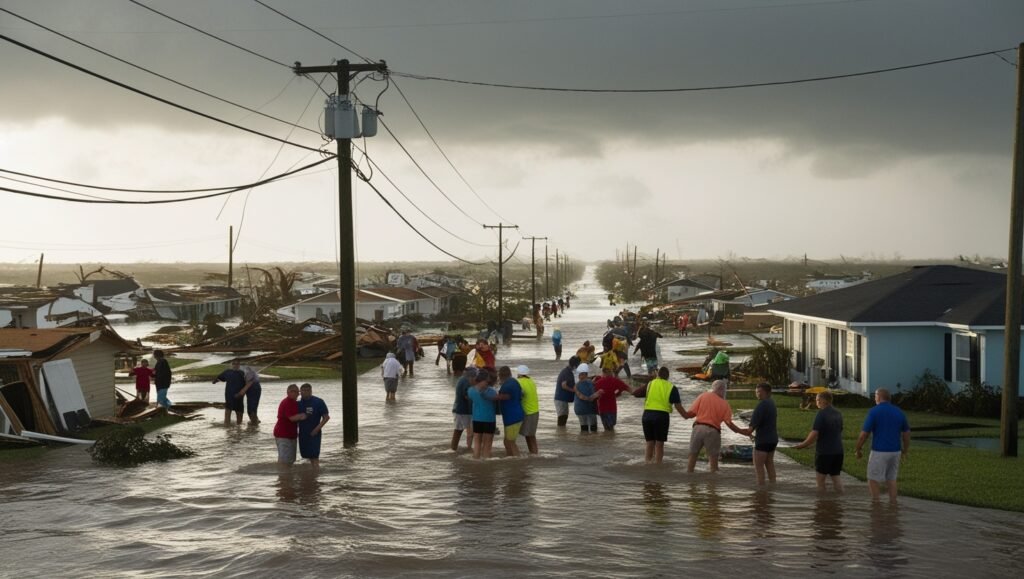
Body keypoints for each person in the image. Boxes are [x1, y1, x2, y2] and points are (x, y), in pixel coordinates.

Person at [854, 388, 910, 502]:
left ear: (879, 397)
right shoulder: (899, 411)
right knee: (891, 479)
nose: (874, 398)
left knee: (872, 479)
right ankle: (893, 504)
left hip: (879, 451)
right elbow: (906, 434)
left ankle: (876, 504)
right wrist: (905, 450)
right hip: (896, 451)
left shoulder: (874, 411)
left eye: (875, 396)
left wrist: (858, 448)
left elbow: (864, 434)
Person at [681, 380, 746, 473]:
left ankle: (691, 485)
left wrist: (681, 410)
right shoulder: (725, 404)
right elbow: (729, 423)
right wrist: (741, 431)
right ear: (723, 390)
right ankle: (712, 486)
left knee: (692, 456)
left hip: (698, 428)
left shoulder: (703, 396)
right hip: (713, 431)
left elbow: (691, 414)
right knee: (713, 462)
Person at [632, 366, 688, 463]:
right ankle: (658, 465)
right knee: (659, 444)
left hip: (647, 416)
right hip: (661, 417)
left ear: (658, 375)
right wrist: (686, 415)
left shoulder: (650, 384)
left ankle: (647, 463)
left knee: (649, 443)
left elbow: (636, 393)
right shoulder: (671, 387)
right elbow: (678, 406)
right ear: (668, 376)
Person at [793, 391, 845, 493]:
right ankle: (839, 504)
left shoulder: (821, 414)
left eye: (817, 400)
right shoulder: (838, 414)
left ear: (823, 401)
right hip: (838, 452)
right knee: (836, 477)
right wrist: (813, 443)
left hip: (824, 453)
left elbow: (814, 433)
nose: (816, 402)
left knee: (820, 481)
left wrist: (802, 445)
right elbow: (834, 432)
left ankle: (821, 506)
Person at [741, 383, 779, 485]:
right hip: (773, 439)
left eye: (759, 392)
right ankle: (773, 486)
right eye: (756, 392)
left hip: (763, 441)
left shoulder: (761, 406)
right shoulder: (772, 403)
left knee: (759, 466)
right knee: (769, 463)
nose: (757, 394)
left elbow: (750, 430)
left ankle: (761, 491)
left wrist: (735, 429)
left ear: (767, 392)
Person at [467, 369, 499, 459]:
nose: (488, 382)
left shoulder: (470, 390)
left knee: (477, 441)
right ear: (483, 380)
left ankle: (476, 459)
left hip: (476, 419)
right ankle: (486, 460)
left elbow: (471, 400)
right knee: (487, 443)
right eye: (487, 380)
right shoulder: (491, 391)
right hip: (489, 419)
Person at [298, 383, 330, 468]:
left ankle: (316, 473)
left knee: (314, 456)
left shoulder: (318, 402)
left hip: (314, 432)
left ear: (311, 391)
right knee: (305, 455)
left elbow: (326, 417)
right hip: (302, 433)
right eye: (303, 391)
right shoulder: (298, 403)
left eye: (307, 390)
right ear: (300, 392)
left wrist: (317, 429)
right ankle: (311, 477)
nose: (305, 392)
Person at [274, 384, 307, 465]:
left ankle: (287, 477)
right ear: (288, 392)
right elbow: (292, 418)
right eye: (294, 392)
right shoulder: (287, 402)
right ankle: (283, 476)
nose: (297, 394)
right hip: (283, 435)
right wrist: (303, 415)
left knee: (290, 460)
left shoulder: (294, 402)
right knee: (284, 461)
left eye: (297, 392)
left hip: (290, 435)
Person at [496, 366, 525, 457]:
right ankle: (510, 458)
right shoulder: (514, 382)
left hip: (512, 418)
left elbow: (503, 397)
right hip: (515, 416)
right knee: (507, 441)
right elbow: (522, 394)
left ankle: (517, 460)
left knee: (510, 442)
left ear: (500, 375)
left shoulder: (507, 386)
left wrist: (485, 394)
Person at [594, 366, 633, 431]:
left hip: (602, 408)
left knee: (606, 428)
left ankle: (607, 439)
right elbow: (628, 389)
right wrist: (635, 394)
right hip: (612, 408)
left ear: (603, 373)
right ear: (611, 372)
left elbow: (594, 395)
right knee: (611, 428)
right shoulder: (616, 381)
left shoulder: (598, 382)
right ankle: (611, 439)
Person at [451, 367, 477, 452]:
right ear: (471, 375)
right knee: (459, 431)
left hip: (461, 410)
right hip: (462, 411)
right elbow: (467, 396)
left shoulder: (462, 379)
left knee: (462, 431)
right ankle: (453, 449)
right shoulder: (466, 381)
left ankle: (460, 449)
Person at [213, 360, 247, 425]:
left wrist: (242, 393)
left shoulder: (242, 373)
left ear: (239, 365)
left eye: (237, 364)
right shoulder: (227, 372)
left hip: (239, 395)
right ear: (231, 365)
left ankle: (239, 426)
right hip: (229, 394)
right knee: (228, 409)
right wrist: (215, 381)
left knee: (239, 410)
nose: (235, 365)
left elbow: (247, 384)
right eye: (234, 364)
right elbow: (220, 378)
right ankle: (227, 425)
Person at [516, 365, 540, 454]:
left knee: (530, 436)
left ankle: (534, 454)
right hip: (535, 411)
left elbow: (520, 394)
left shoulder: (519, 382)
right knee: (530, 435)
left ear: (519, 374)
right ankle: (534, 454)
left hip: (528, 412)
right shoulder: (531, 381)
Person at [573, 363, 601, 433]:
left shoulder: (577, 385)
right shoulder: (590, 383)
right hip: (589, 409)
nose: (579, 376)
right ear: (586, 374)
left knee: (584, 429)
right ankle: (591, 443)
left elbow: (580, 396)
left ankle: (584, 442)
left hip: (579, 409)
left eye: (579, 374)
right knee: (594, 430)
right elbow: (590, 396)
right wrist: (594, 396)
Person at [553, 356, 579, 427]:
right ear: (575, 365)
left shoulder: (568, 371)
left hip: (562, 399)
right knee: (562, 418)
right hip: (561, 399)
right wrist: (575, 391)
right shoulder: (566, 372)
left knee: (564, 417)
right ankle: (560, 433)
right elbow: (564, 385)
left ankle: (562, 434)